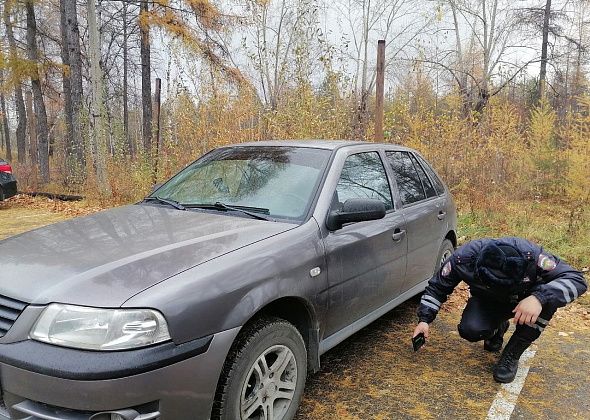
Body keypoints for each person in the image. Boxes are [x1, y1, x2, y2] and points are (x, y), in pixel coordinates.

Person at [412, 237, 587, 383]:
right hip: (487, 300)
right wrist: (424, 320)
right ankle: (497, 328)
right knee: (470, 330)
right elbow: (437, 287)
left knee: (548, 302)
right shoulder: (463, 259)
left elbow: (577, 280)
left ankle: (511, 355)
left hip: (526, 303)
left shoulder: (535, 258)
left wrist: (539, 298)